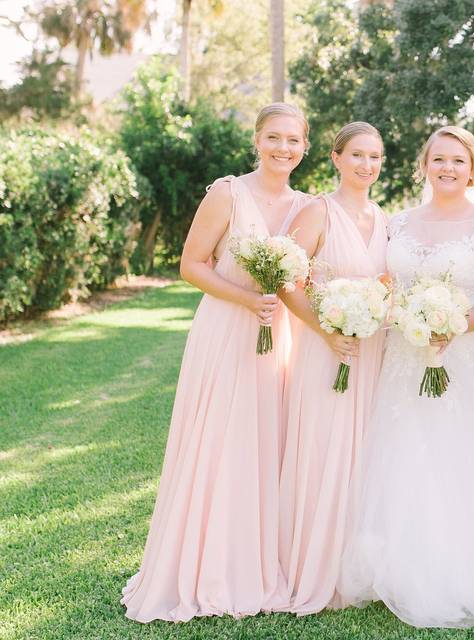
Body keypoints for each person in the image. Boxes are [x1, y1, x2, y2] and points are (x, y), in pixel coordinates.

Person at [122, 103, 311, 622]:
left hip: (280, 335)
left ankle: (259, 560)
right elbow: (191, 264)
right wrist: (246, 299)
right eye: (274, 138)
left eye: (293, 141)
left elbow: (308, 279)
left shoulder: (306, 206)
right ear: (257, 139)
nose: (283, 149)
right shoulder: (228, 192)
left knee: (266, 440)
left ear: (305, 148)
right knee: (221, 439)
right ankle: (207, 565)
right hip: (227, 329)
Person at [338, 126, 474, 628]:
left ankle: (466, 560)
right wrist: (400, 316)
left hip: (462, 356)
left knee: (460, 453)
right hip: (402, 354)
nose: (448, 168)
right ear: (424, 165)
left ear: (472, 169)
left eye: (458, 161)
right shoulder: (396, 223)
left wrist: (455, 324)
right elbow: (383, 283)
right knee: (401, 450)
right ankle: (397, 559)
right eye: (439, 159)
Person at [270, 122, 389, 614]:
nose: (366, 165)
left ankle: (354, 567)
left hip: (371, 351)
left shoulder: (384, 218)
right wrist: (326, 328)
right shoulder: (316, 210)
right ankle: (310, 567)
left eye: (375, 157)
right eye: (357, 155)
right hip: (325, 348)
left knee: (363, 452)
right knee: (322, 449)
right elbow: (287, 283)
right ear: (336, 158)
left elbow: (385, 280)